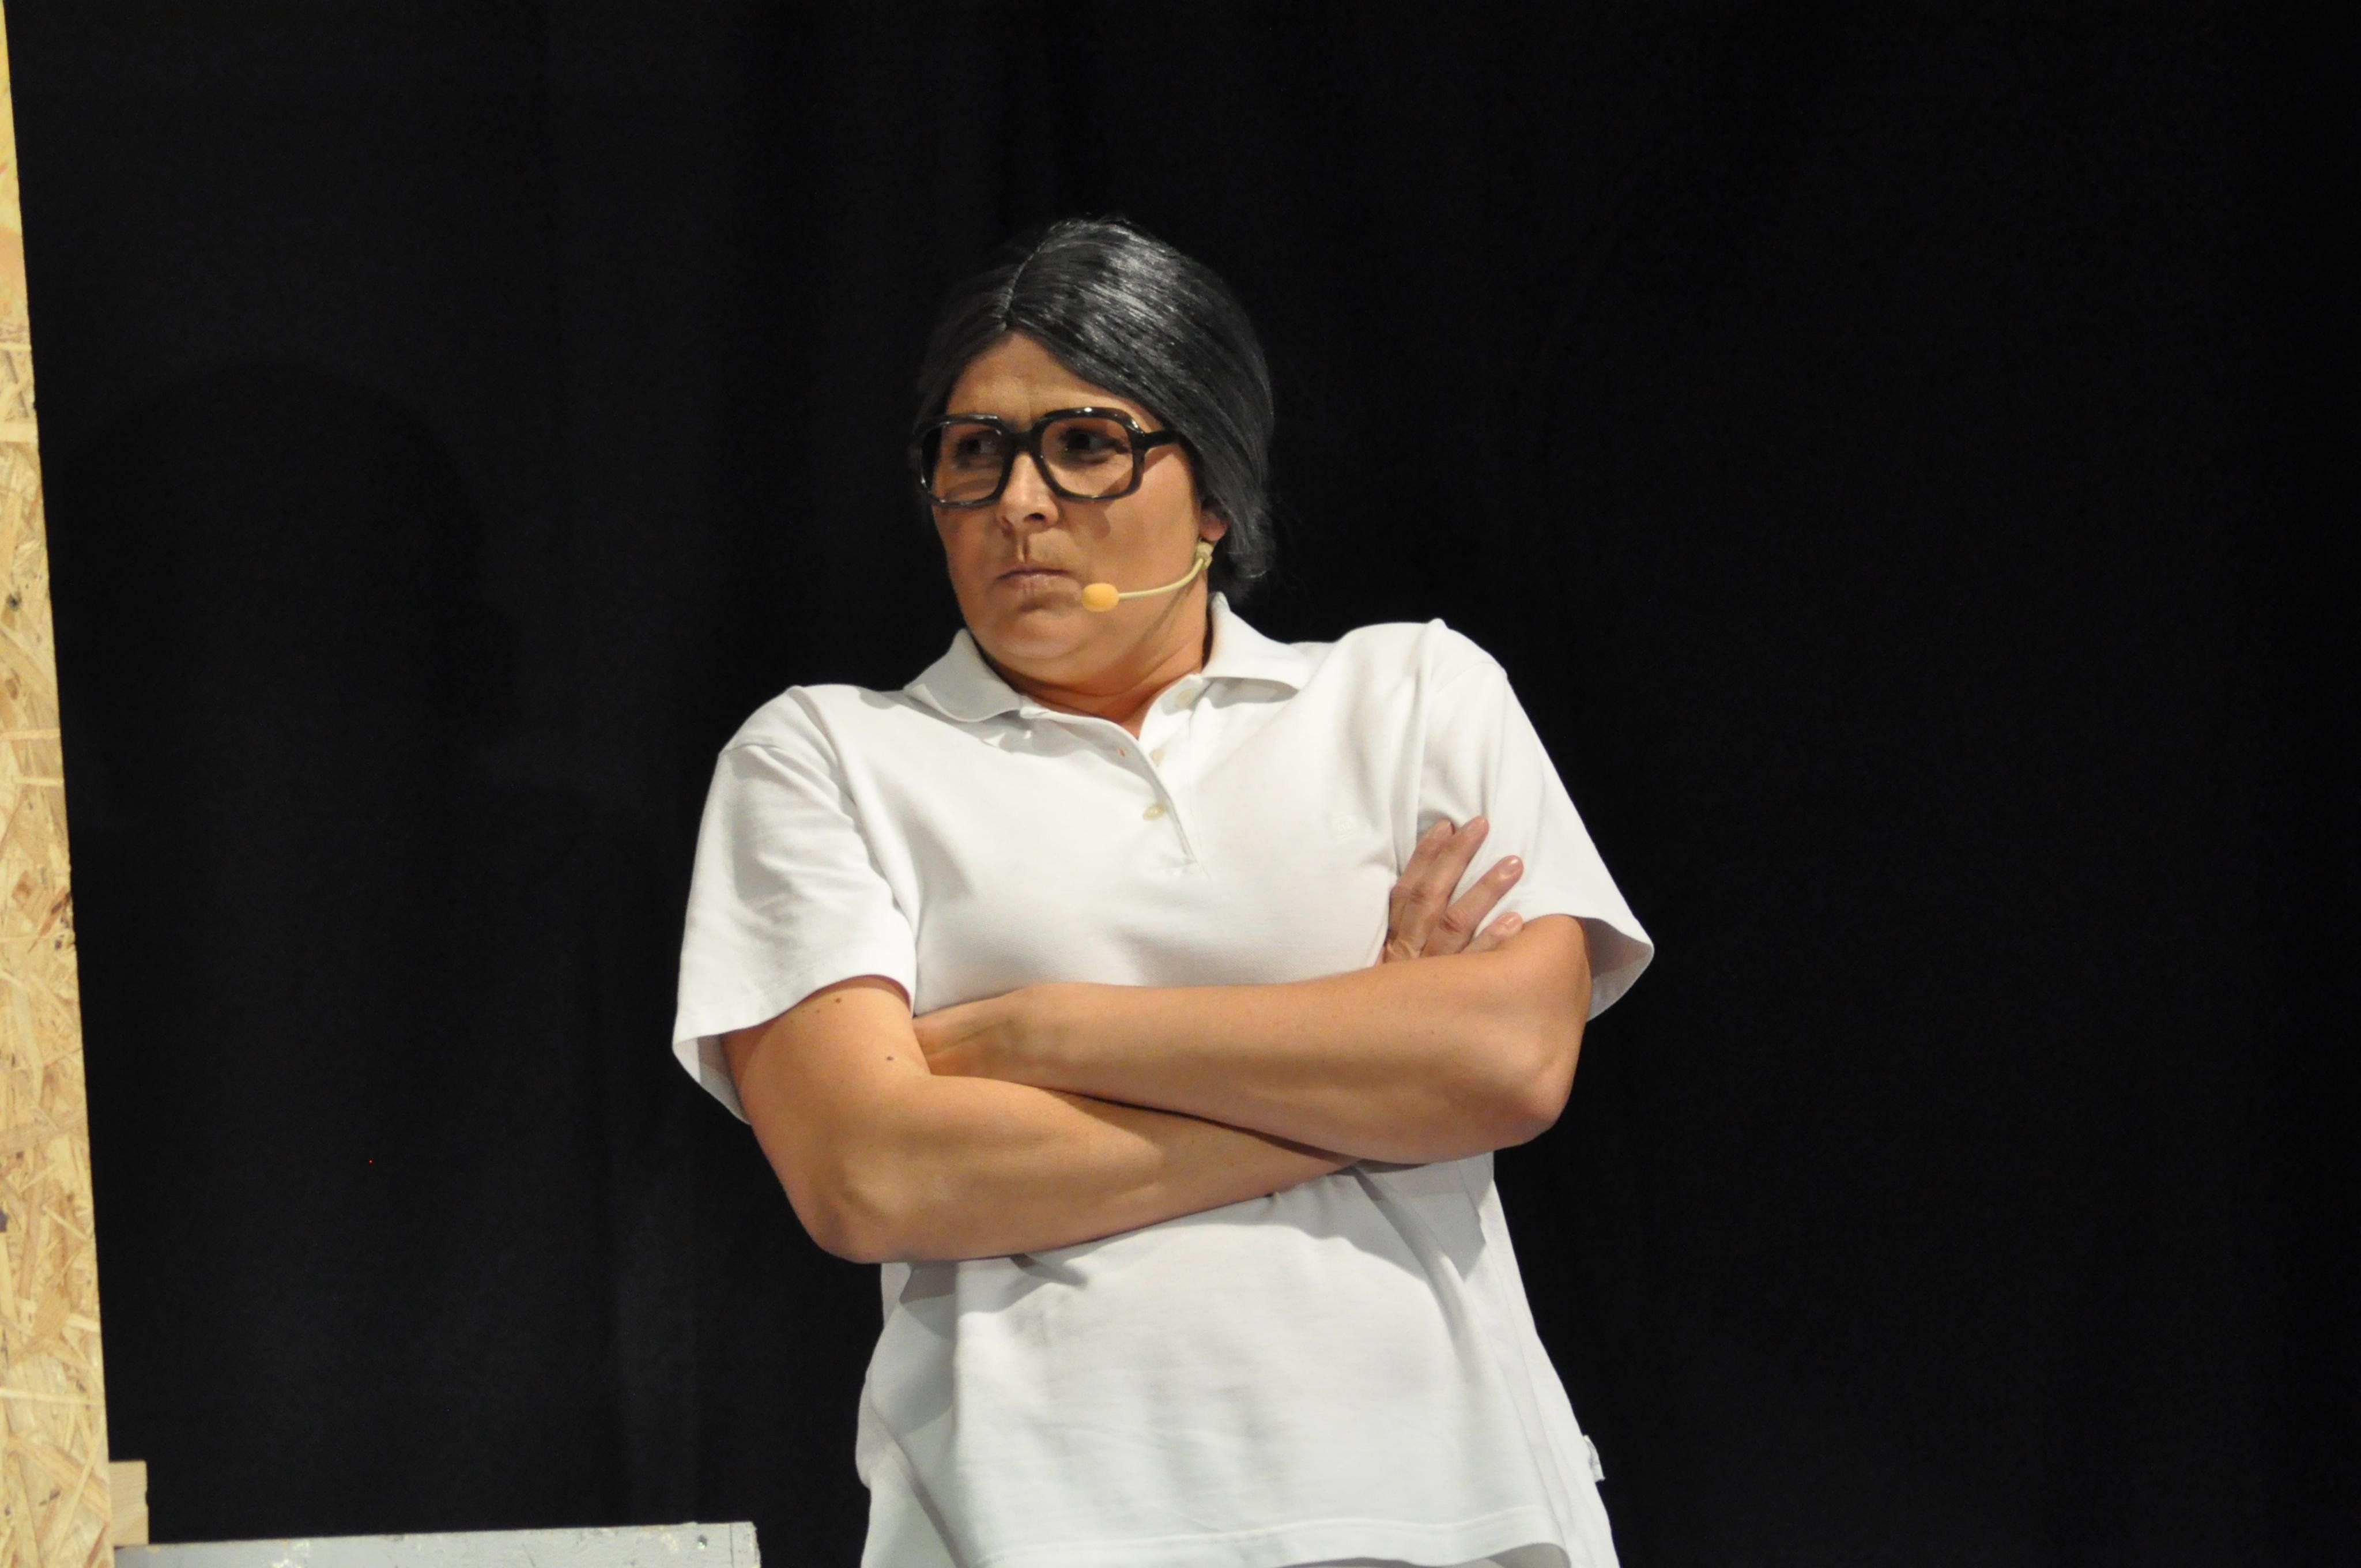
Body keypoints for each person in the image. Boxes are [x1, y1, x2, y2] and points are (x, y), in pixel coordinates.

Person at [671, 217, 1654, 1568]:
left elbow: (1508, 1059)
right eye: (973, 454)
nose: (1019, 503)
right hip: (1032, 1526)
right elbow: (872, 1171)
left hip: (1456, 1511)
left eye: (1085, 444)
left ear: (1213, 495)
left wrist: (1040, 1032)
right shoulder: (825, 756)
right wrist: (1373, 1084)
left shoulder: (1414, 693)